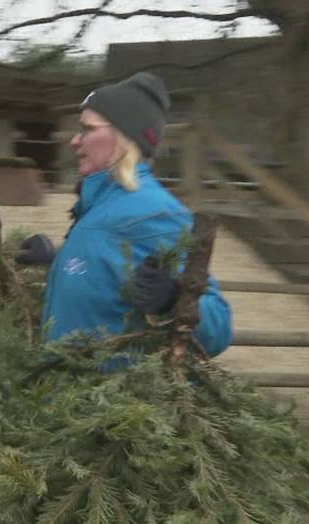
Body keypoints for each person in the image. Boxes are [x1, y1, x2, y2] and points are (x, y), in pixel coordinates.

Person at [18, 72, 232, 357]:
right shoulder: (100, 207)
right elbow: (112, 273)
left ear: (123, 137)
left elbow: (220, 327)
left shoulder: (153, 213)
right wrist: (58, 262)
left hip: (114, 398)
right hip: (69, 395)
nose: (75, 141)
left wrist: (172, 299)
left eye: (87, 129)